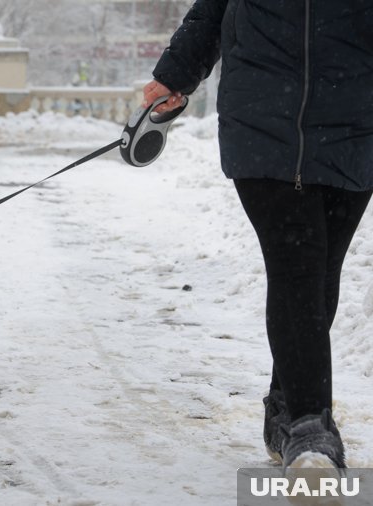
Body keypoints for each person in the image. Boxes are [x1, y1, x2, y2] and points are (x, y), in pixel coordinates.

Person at [143, 1, 373, 470]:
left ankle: (285, 407)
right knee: (297, 268)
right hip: (263, 120)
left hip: (355, 123)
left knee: (320, 271)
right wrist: (176, 75)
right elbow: (213, 8)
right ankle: (310, 429)